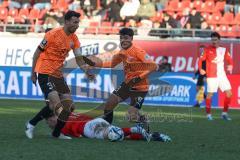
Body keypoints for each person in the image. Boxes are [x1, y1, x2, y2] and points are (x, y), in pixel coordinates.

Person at [25, 10, 95, 139]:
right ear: (67, 21)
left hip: (58, 75)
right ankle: (31, 124)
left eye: (78, 22)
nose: (77, 25)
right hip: (45, 72)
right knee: (57, 106)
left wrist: (86, 70)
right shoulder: (52, 34)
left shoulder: (74, 39)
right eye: (75, 22)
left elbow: (79, 58)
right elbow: (36, 54)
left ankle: (56, 133)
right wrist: (33, 73)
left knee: (69, 106)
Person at [87, 28, 158, 128]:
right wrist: (95, 64)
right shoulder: (121, 53)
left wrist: (139, 77)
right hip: (127, 84)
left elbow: (154, 66)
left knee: (131, 117)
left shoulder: (138, 51)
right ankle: (107, 126)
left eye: (126, 38)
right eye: (121, 38)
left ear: (131, 38)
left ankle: (144, 119)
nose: (123, 40)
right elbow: (112, 64)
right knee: (110, 103)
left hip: (140, 87)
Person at [46, 112, 171, 142]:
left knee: (113, 135)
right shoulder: (70, 114)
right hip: (95, 122)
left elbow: (58, 135)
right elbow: (86, 116)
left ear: (54, 117)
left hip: (87, 129)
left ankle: (136, 128)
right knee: (121, 136)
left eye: (49, 121)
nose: (49, 124)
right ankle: (153, 136)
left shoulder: (60, 126)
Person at [198, 32, 233, 121]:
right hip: (212, 76)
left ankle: (224, 113)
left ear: (219, 40)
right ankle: (208, 114)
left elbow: (229, 59)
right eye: (212, 40)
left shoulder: (224, 49)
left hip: (222, 75)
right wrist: (201, 69)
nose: (214, 41)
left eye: (215, 40)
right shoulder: (206, 50)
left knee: (229, 93)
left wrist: (230, 65)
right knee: (210, 95)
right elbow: (200, 60)